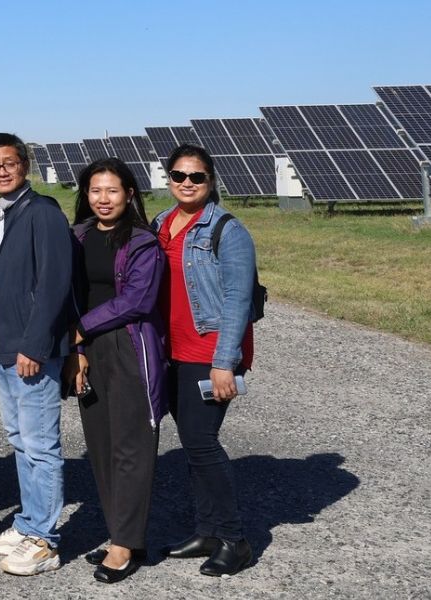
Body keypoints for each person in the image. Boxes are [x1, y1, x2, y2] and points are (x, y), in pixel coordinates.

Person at [153, 144, 258, 577]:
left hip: (209, 352)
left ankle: (235, 539)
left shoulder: (228, 230)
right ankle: (207, 531)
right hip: (172, 351)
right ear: (169, 179)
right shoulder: (161, 223)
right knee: (192, 444)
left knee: (201, 442)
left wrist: (224, 362)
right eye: (179, 175)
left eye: (196, 176)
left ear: (210, 180)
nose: (187, 183)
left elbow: (238, 300)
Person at [0, 133, 74, 576]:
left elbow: (54, 283)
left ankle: (45, 541)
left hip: (29, 347)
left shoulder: (42, 212)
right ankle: (29, 522)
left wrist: (35, 344)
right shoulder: (0, 213)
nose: (2, 170)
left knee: (40, 443)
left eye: (9, 162)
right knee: (19, 437)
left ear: (25, 165)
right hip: (1, 339)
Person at [66, 158, 168, 584]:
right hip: (87, 349)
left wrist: (81, 328)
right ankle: (121, 536)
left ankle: (126, 544)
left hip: (128, 345)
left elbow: (138, 300)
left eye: (112, 190)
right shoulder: (77, 236)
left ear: (129, 194)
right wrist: (75, 347)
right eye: (95, 190)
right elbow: (68, 293)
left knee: (131, 446)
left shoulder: (143, 242)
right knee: (102, 445)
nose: (103, 199)